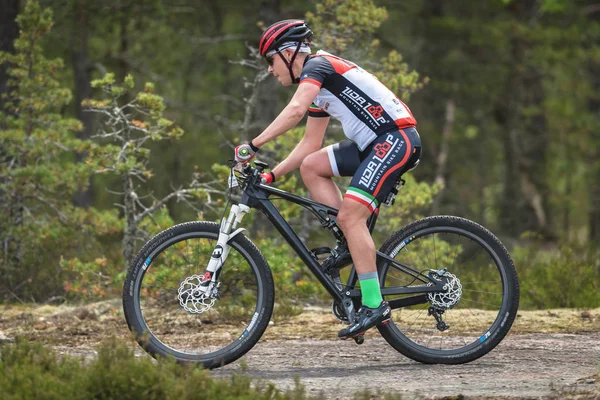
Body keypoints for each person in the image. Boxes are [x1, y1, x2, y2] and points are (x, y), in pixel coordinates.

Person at [234, 19, 422, 339]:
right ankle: (349, 245)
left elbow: (294, 111)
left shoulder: (318, 66)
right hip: (375, 144)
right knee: (311, 166)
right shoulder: (319, 85)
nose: (269, 69)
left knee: (351, 216)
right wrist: (271, 174)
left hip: (395, 140)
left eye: (271, 60)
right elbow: (309, 144)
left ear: (290, 53)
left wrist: (253, 146)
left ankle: (374, 304)